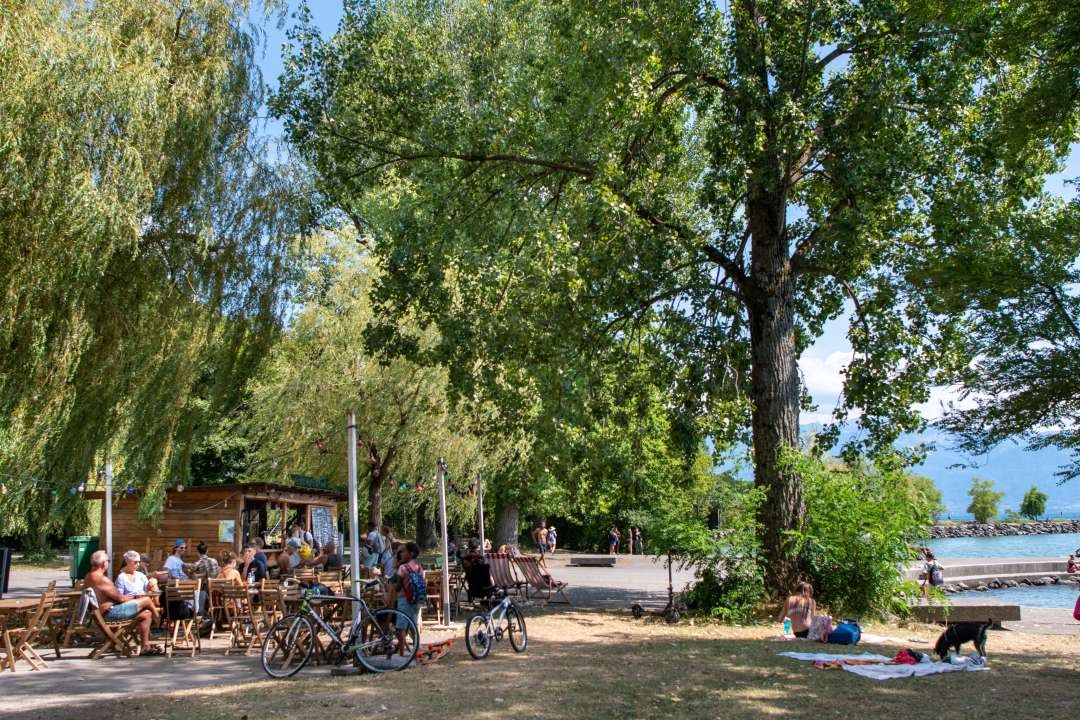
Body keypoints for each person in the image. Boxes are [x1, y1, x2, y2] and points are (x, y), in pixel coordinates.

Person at [84, 550, 162, 655]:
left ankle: (145, 647)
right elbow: (120, 598)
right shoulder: (102, 579)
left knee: (146, 614)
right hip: (111, 613)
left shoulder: (89, 576)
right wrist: (136, 599)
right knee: (147, 600)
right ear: (104, 563)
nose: (108, 563)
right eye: (108, 561)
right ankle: (159, 622)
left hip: (101, 614)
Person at [388, 542, 423, 659]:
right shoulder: (419, 567)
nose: (402, 554)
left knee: (401, 628)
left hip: (404, 599)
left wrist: (393, 586)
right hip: (416, 599)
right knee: (414, 626)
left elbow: (398, 587)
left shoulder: (402, 568)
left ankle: (402, 653)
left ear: (410, 554)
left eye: (404, 552)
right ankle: (416, 650)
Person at [115, 550, 161, 626]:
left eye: (139, 562)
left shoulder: (140, 575)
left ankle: (157, 609)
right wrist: (135, 597)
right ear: (127, 562)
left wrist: (151, 584)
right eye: (135, 562)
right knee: (146, 610)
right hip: (129, 606)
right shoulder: (121, 577)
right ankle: (156, 614)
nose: (138, 564)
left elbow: (148, 590)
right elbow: (119, 598)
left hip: (144, 603)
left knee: (153, 583)